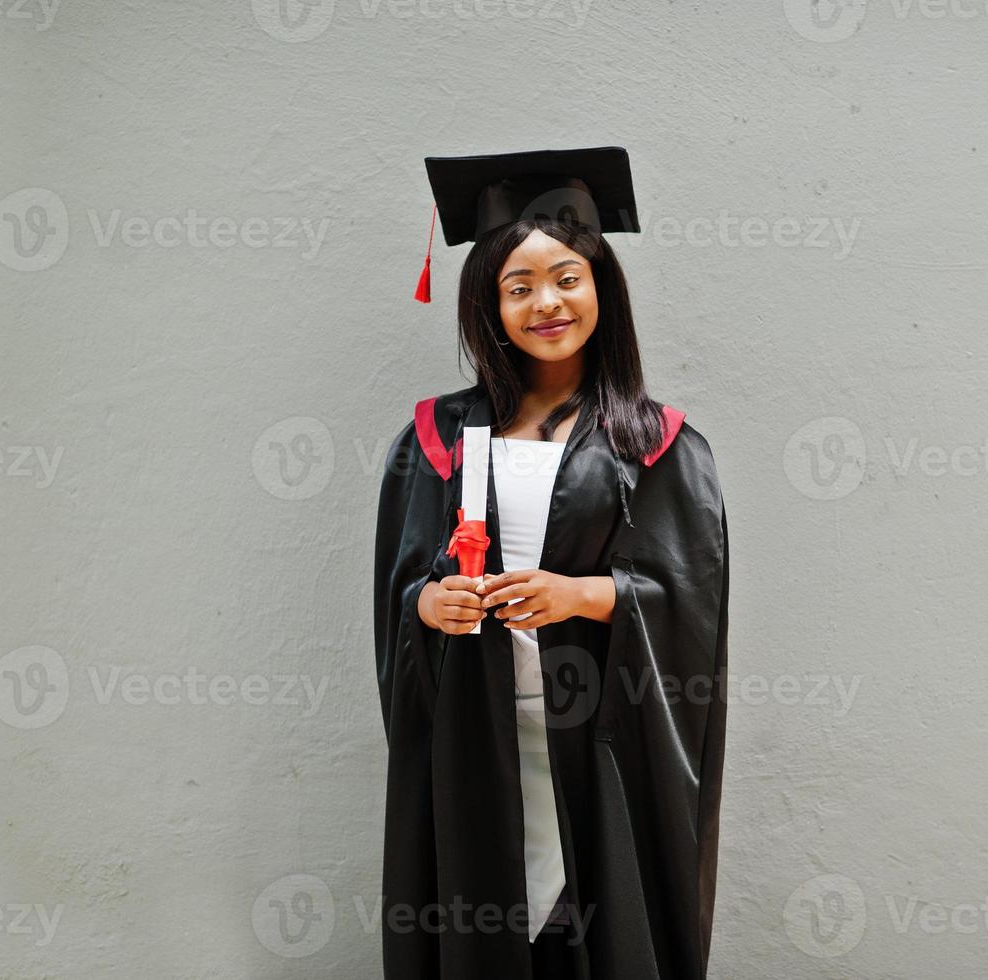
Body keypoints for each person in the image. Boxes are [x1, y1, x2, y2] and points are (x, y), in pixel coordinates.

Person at [374, 146, 731, 979]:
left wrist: (583, 593)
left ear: (601, 287)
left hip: (600, 737)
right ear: (488, 305)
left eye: (566, 277)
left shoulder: (655, 442)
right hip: (477, 733)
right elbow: (400, 587)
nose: (546, 303)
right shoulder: (434, 440)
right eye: (518, 285)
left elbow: (691, 599)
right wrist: (429, 607)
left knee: (601, 935)